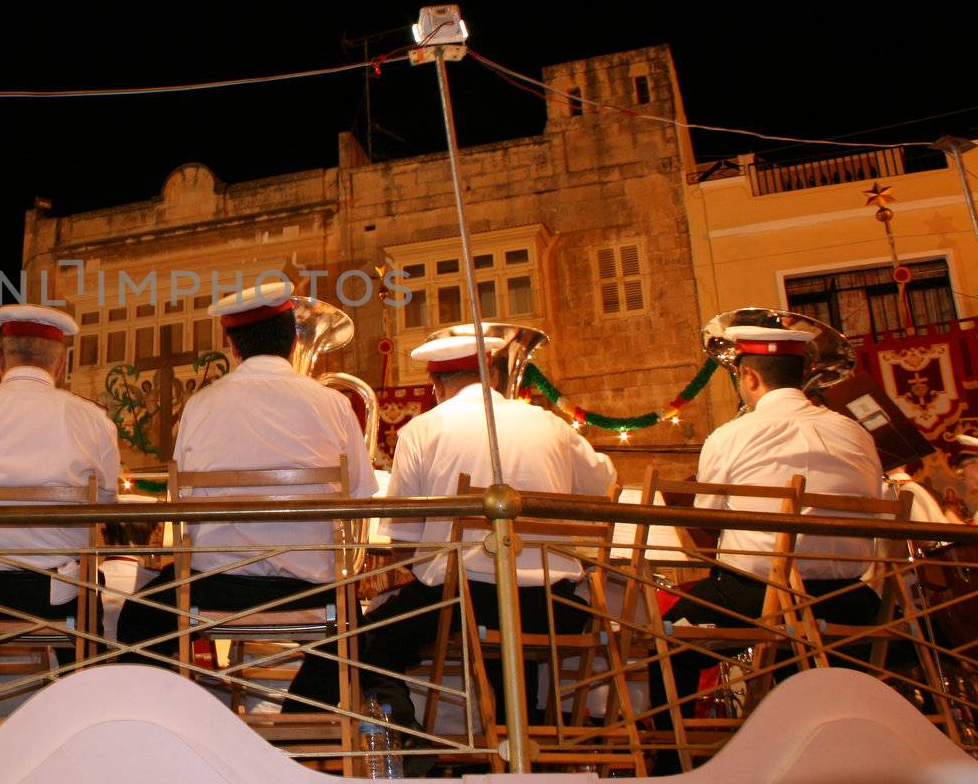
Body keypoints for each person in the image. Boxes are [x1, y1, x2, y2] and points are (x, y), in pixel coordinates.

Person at [114, 280, 377, 712]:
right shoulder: (335, 404)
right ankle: (298, 733)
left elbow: (181, 506)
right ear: (294, 342)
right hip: (309, 591)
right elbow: (362, 499)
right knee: (358, 634)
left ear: (231, 347)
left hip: (212, 589)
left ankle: (186, 728)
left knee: (136, 621)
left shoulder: (200, 406)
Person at [360, 334, 616, 725]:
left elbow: (402, 540)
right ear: (493, 375)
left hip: (465, 605)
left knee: (368, 638)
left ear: (436, 385)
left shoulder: (423, 430)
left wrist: (426, 575)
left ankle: (410, 736)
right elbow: (605, 484)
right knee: (504, 620)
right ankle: (522, 730)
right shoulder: (551, 424)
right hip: (553, 609)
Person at [654, 325, 886, 715]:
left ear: (750, 377)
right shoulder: (856, 432)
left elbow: (709, 515)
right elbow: (877, 500)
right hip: (852, 600)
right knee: (792, 635)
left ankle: (673, 757)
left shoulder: (731, 436)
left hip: (756, 596)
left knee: (660, 636)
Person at [0, 304, 119, 716]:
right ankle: (82, 721)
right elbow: (105, 502)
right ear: (61, 363)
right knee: (88, 591)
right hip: (57, 594)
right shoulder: (91, 420)